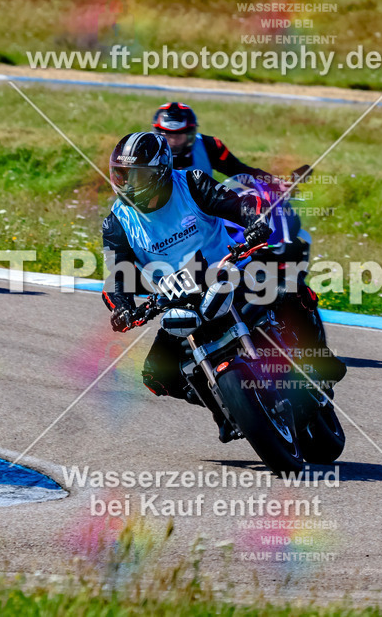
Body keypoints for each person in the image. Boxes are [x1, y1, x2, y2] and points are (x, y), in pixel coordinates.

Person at [102, 131, 272, 441]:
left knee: (281, 284)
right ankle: (225, 409)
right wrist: (123, 309)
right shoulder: (117, 222)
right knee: (157, 376)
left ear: (161, 171)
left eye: (137, 176)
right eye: (122, 174)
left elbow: (237, 205)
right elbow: (118, 276)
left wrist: (255, 222)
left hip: (229, 271)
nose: (128, 184)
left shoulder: (192, 183)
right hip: (179, 298)